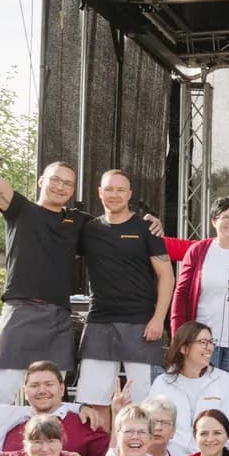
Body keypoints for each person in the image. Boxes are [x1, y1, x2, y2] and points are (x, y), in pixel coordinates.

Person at [0, 103, 83, 405]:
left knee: (53, 396)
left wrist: (152, 223)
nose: (60, 186)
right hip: (20, 312)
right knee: (2, 390)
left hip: (59, 315)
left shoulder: (79, 220)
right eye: (55, 179)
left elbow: (115, 227)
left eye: (67, 183)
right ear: (41, 180)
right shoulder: (21, 210)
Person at [76, 168, 174, 421]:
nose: (114, 195)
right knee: (95, 402)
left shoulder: (146, 229)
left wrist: (157, 319)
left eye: (120, 189)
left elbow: (167, 276)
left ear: (130, 194)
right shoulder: (88, 229)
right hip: (99, 321)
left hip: (141, 323)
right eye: (109, 189)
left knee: (144, 404)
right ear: (100, 192)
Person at [145, 322, 229, 456]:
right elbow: (151, 425)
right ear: (184, 348)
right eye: (202, 342)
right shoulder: (162, 382)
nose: (209, 348)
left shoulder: (224, 380)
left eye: (211, 342)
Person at [0, 359, 108, 456]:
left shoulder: (86, 424)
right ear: (25, 392)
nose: (42, 391)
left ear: (62, 389)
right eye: (35, 385)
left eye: (49, 384)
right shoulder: (10, 425)